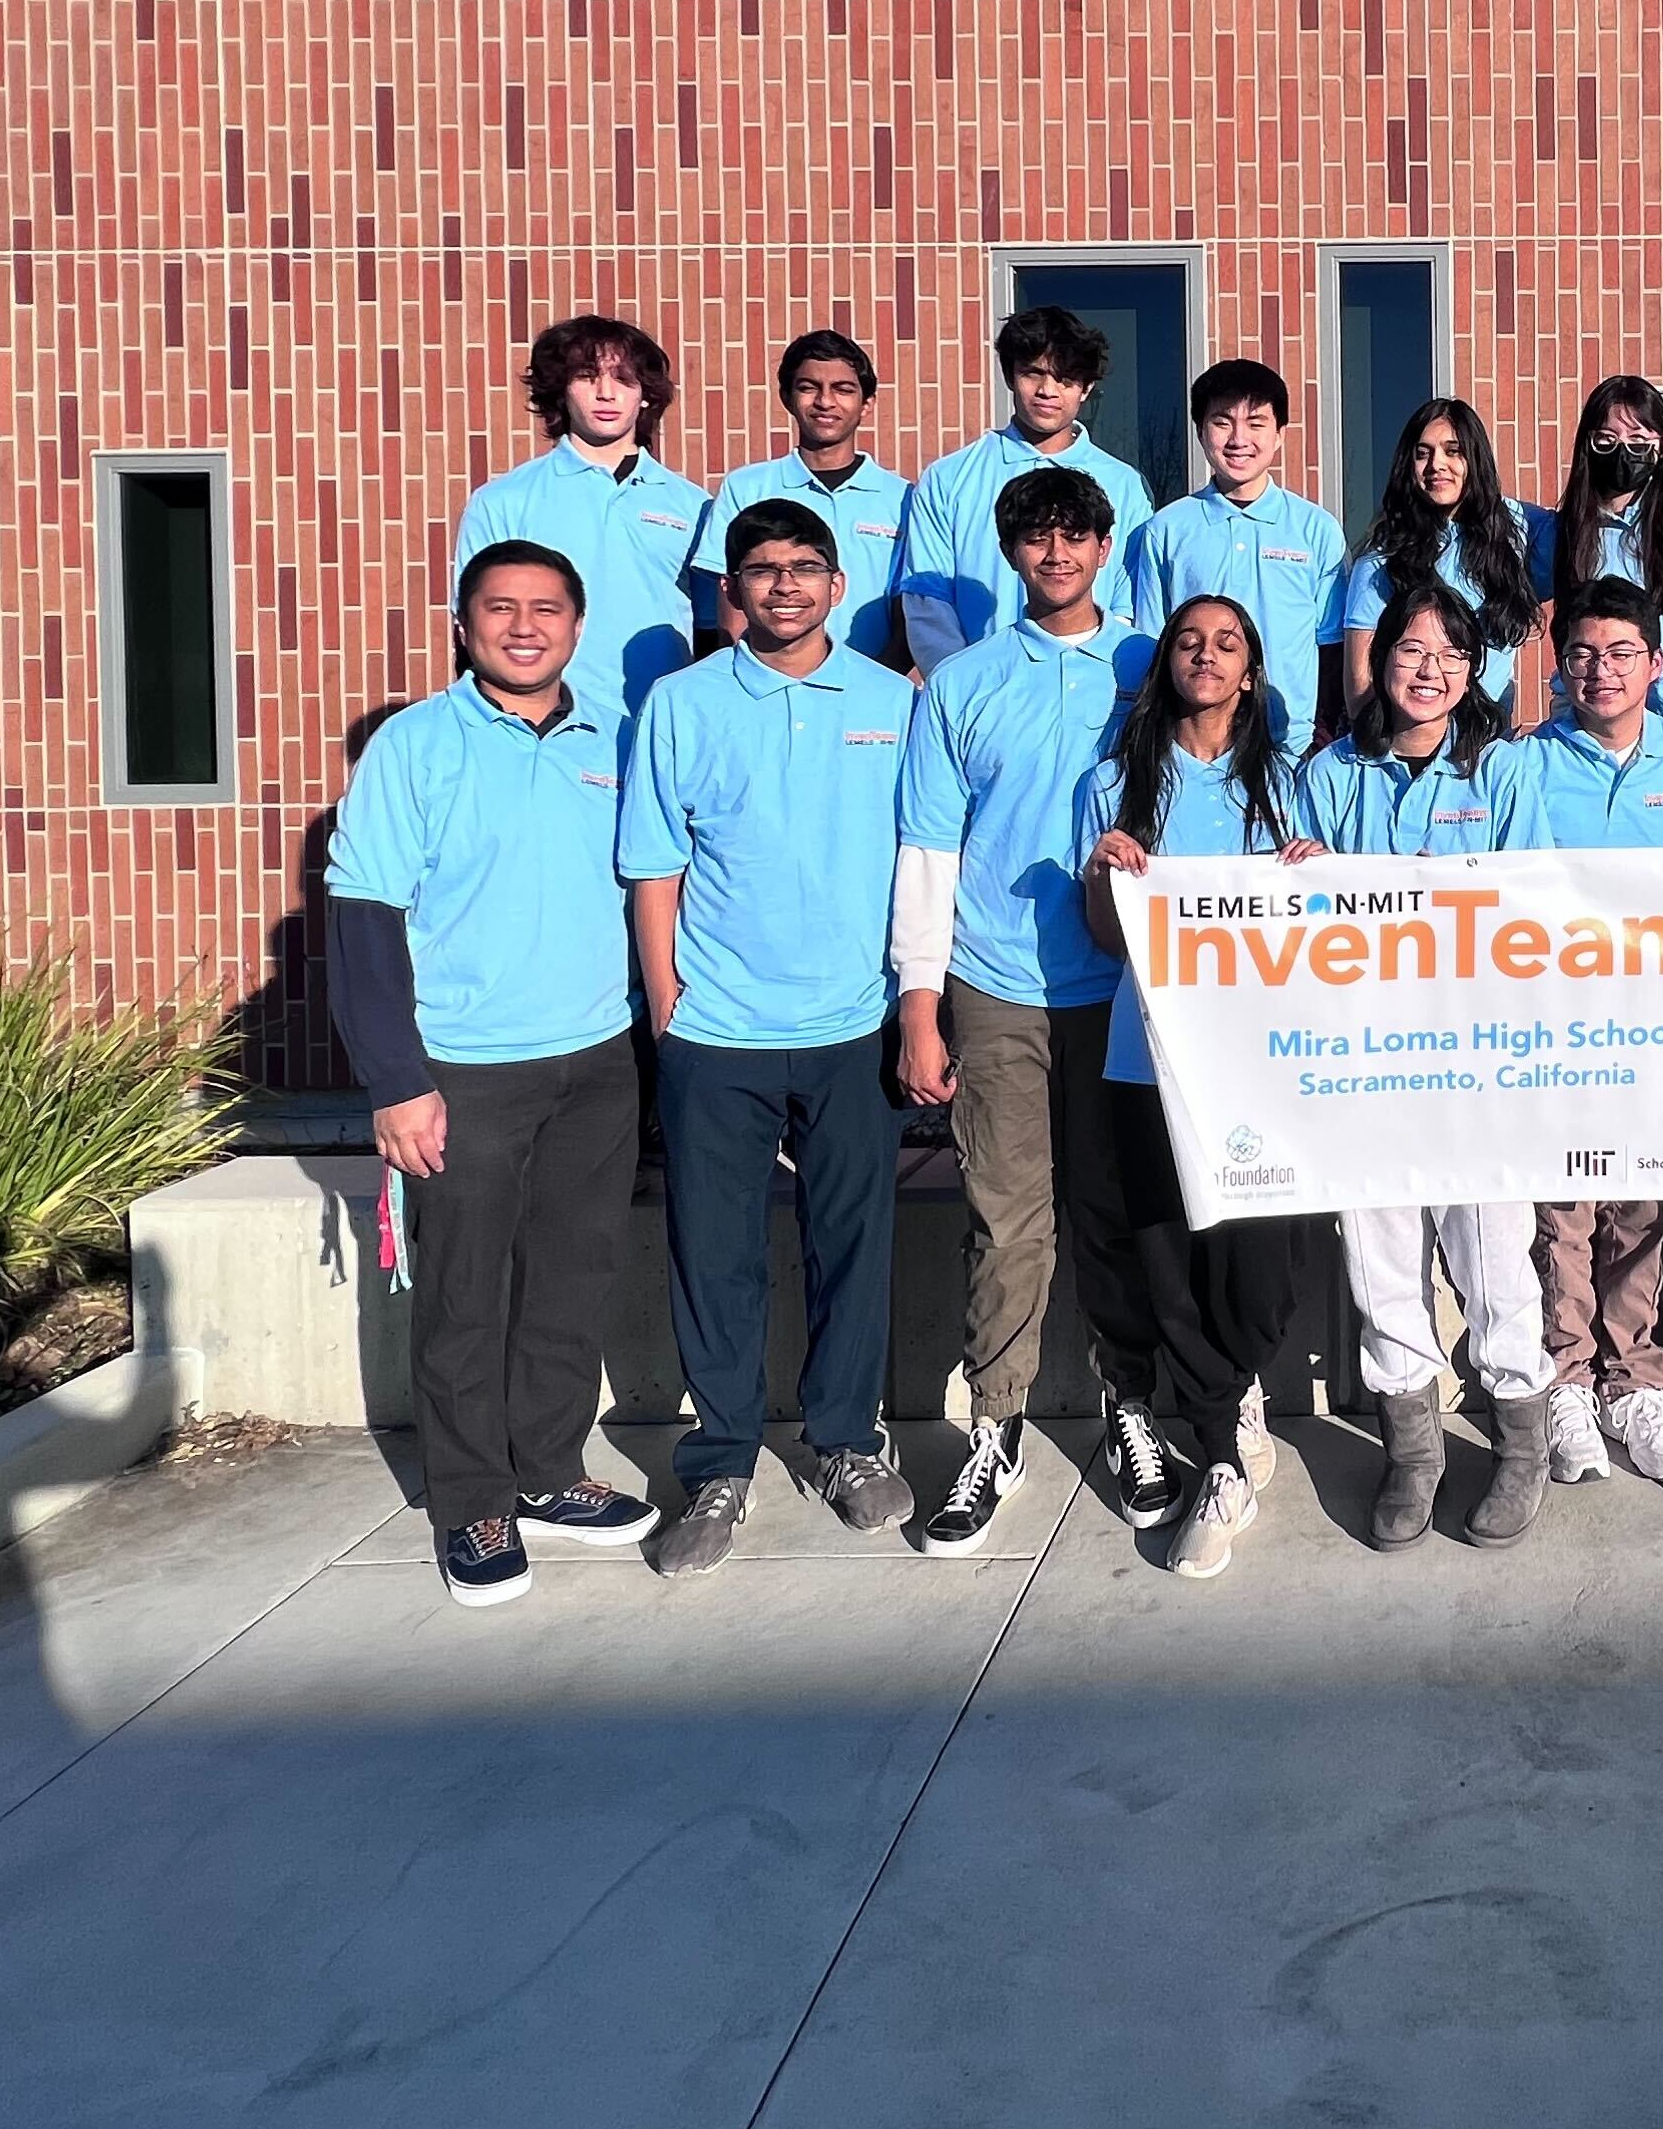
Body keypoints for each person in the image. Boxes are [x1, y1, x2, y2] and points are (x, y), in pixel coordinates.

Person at [322, 540, 657, 1608]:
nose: (525, 625)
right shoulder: (415, 749)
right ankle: (472, 1500)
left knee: (571, 1279)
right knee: (466, 1295)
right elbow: (363, 916)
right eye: (501, 608)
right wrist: (394, 1080)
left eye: (547, 608)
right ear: (463, 626)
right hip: (464, 1071)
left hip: (598, 1058)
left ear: (576, 623)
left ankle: (551, 1472)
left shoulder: (614, 736)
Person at [618, 501, 922, 1573]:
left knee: (851, 1249)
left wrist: (910, 1005)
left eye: (805, 568)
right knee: (716, 1256)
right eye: (761, 570)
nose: (784, 585)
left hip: (854, 1024)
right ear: (728, 590)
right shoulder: (681, 702)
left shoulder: (896, 702)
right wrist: (666, 1005)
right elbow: (653, 863)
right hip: (718, 1031)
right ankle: (720, 1465)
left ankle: (844, 1439)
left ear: (839, 586)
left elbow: (925, 858)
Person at [892, 466, 1163, 1554]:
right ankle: (993, 1427)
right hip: (995, 982)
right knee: (1007, 1218)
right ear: (1011, 555)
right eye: (1035, 541)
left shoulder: (1150, 665)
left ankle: (1129, 1407)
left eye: (1074, 538)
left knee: (1114, 1211)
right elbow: (926, 849)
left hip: (1127, 988)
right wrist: (920, 1007)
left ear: (1106, 547)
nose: (1056, 556)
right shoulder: (962, 684)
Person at [1293, 582, 1558, 1549]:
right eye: (1411, 650)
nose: (1430, 671)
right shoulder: (1330, 774)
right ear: (1379, 660)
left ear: (1475, 669)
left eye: (1452, 654)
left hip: (1479, 1056)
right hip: (1366, 1059)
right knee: (1381, 1258)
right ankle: (1413, 1448)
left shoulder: (1506, 770)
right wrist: (1298, 873)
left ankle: (1518, 1438)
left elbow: (1528, 903)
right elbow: (1294, 914)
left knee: (1493, 1257)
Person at [1077, 595, 1331, 1579]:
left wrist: (1315, 877)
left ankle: (1237, 1379)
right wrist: (1108, 876)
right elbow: (1107, 935)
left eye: (1227, 644)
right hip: (1147, 1055)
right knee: (1170, 1255)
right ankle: (1221, 1433)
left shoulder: (1288, 784)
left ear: (1252, 670)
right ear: (1167, 664)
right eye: (1190, 642)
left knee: (1267, 1259)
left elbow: (1325, 931)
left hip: (1263, 1062)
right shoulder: (1115, 781)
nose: (1206, 657)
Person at [1515, 578, 1663, 1491]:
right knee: (1562, 1209)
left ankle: (1634, 1379)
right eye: (1584, 653)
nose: (1601, 669)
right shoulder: (1524, 762)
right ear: (1561, 668)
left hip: (1656, 1027)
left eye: (1621, 653)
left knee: (1640, 1208)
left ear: (1656, 665)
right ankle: (1567, 1377)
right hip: (1555, 1028)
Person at [451, 316, 707, 730]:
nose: (606, 393)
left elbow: (713, 631)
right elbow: (473, 628)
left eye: (624, 379)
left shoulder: (695, 507)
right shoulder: (503, 501)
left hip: (663, 725)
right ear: (561, 391)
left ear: (645, 396)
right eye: (587, 377)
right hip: (540, 727)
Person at [893, 304, 1157, 668]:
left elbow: (1130, 604)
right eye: (1033, 373)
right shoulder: (948, 478)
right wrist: (964, 683)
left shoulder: (1125, 485)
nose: (1048, 390)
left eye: (1065, 378)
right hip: (982, 691)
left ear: (1086, 388)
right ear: (1010, 377)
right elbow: (927, 600)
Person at [1122, 360, 1349, 748]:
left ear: (1279, 434)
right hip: (1194, 745)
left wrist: (1321, 739)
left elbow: (1331, 649)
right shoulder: (1166, 530)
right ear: (1200, 431)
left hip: (1289, 745)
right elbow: (1152, 643)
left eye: (1256, 423)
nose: (1238, 439)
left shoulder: (1316, 529)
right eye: (1222, 422)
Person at [692, 330, 910, 669]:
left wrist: (870, 687)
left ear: (867, 404)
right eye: (809, 387)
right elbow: (730, 607)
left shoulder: (902, 499)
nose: (825, 402)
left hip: (867, 691)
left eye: (843, 389)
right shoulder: (746, 488)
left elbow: (908, 612)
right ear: (786, 397)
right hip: (763, 692)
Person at [1341, 397, 1541, 714]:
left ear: (1475, 459)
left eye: (1453, 451)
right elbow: (1360, 686)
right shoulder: (1382, 559)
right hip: (1411, 728)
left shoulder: (1517, 529)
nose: (1437, 464)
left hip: (1491, 728)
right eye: (1423, 454)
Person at [1531, 374, 1663, 716]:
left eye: (1639, 440)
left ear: (1661, 447)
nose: (1623, 451)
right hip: (1582, 705)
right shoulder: (1561, 531)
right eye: (1607, 439)